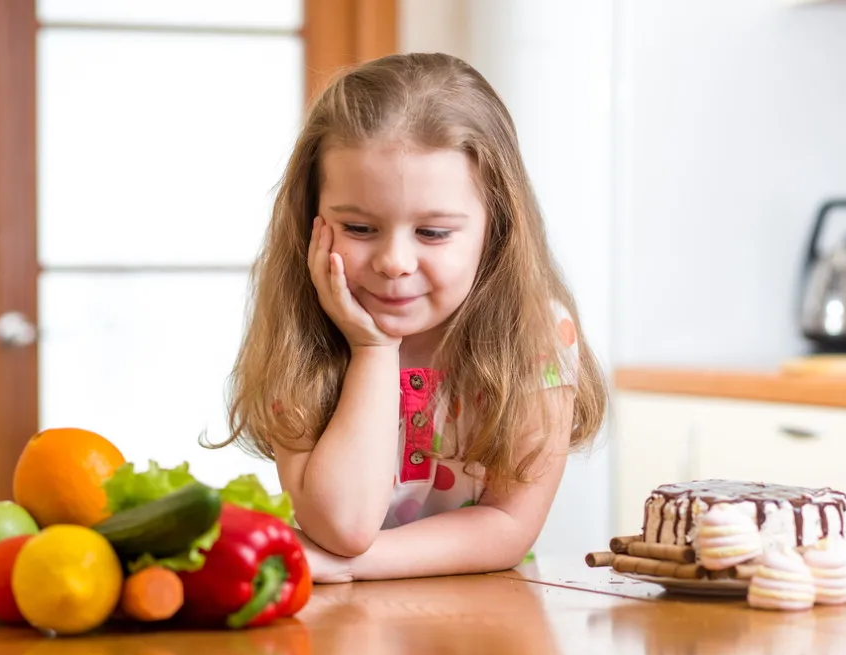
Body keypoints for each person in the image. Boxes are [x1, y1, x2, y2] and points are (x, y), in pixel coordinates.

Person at [221, 52, 607, 583]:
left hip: (482, 621)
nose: (395, 263)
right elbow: (344, 526)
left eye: (432, 233)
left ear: (496, 228)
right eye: (358, 228)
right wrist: (374, 351)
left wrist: (346, 566)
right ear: (311, 221)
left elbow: (507, 527)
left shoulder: (537, 334)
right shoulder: (301, 333)